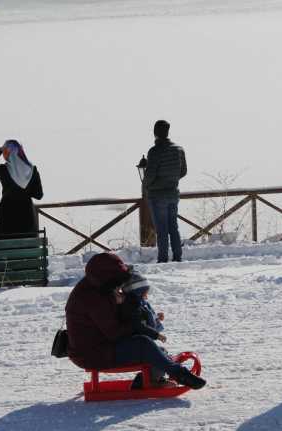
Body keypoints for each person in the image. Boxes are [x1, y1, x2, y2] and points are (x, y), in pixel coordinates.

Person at [65, 252, 205, 389]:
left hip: (100, 346)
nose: (120, 287)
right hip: (91, 354)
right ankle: (179, 374)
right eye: (118, 283)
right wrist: (136, 325)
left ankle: (150, 380)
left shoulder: (97, 285)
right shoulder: (93, 297)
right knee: (143, 344)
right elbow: (114, 333)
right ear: (109, 279)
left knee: (155, 349)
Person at [142, 120, 187, 263]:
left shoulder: (154, 152)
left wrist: (146, 186)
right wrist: (171, 180)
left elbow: (149, 176)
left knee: (161, 230)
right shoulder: (179, 149)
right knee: (173, 227)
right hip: (173, 193)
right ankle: (177, 256)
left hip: (157, 195)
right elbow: (183, 171)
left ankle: (163, 259)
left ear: (155, 133)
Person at [117, 271, 170, 388]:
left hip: (140, 342)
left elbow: (146, 319)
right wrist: (157, 335)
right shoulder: (132, 306)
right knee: (159, 354)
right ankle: (154, 382)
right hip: (135, 344)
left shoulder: (138, 303)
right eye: (145, 292)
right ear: (138, 291)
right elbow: (139, 325)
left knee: (162, 352)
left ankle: (144, 380)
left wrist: (157, 319)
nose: (147, 294)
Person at [0, 140, 43, 239]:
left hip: (6, 217)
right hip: (27, 218)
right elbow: (39, 195)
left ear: (7, 153)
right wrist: (26, 190)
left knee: (4, 247)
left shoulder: (4, 170)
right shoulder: (33, 170)